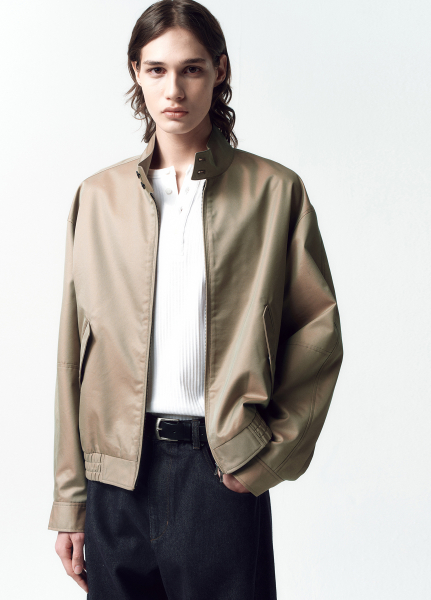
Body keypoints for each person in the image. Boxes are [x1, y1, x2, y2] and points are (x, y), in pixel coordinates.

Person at [48, 1, 344, 598]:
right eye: (157, 69)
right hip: (114, 479)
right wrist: (70, 500)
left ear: (220, 70)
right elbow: (72, 355)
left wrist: (270, 456)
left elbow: (317, 331)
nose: (174, 89)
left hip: (220, 469)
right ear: (136, 72)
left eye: (192, 69)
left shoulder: (274, 192)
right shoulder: (97, 198)